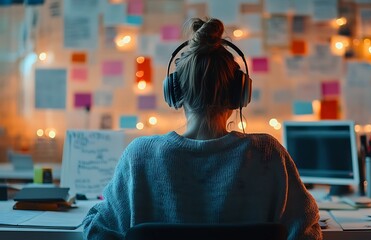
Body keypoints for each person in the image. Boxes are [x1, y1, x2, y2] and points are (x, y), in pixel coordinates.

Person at [82, 17, 322, 240]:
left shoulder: (140, 155)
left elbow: (100, 231)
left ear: (174, 91)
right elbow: (308, 233)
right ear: (240, 94)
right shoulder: (268, 153)